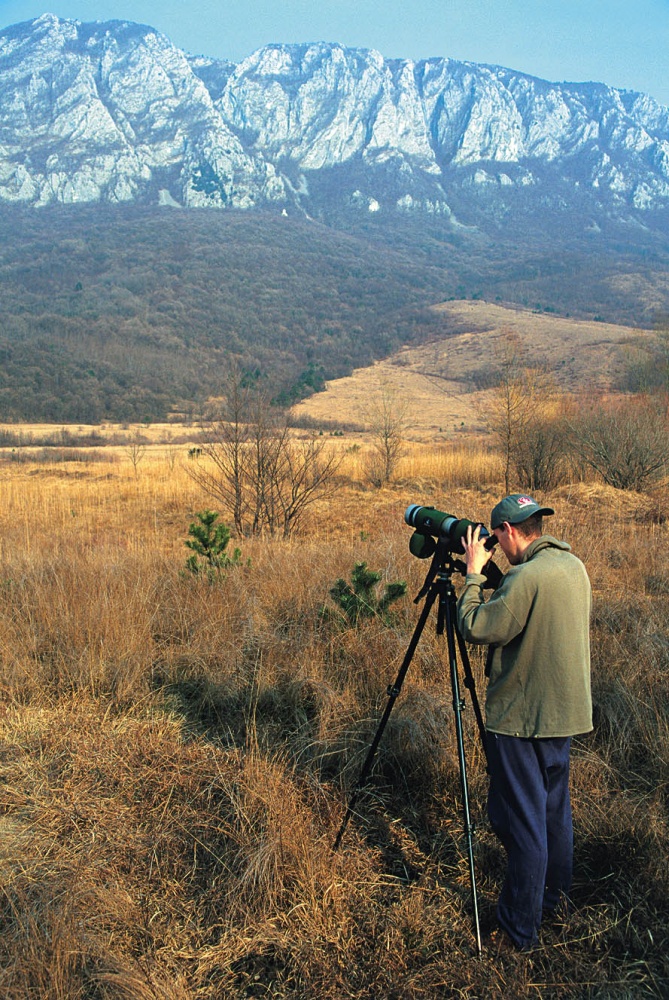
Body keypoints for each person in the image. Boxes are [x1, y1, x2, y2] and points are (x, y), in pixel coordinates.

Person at [456, 493, 592, 952]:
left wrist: (474, 574)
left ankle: (517, 932)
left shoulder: (526, 578)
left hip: (522, 719)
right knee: (554, 814)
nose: (495, 545)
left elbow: (477, 626)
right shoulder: (573, 567)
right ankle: (554, 905)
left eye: (495, 537)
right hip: (564, 714)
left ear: (509, 531)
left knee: (523, 822)